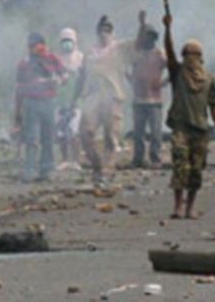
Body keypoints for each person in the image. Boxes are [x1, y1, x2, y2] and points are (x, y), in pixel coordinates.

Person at [162, 14, 215, 219]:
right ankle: (178, 206)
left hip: (200, 130)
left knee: (196, 171)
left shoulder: (208, 79)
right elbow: (170, 53)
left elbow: (214, 106)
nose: (190, 57)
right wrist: (168, 29)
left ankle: (190, 207)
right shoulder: (178, 73)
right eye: (186, 53)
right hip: (181, 127)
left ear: (200, 56)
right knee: (180, 166)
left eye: (193, 54)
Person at [74, 15, 142, 184]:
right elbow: (82, 77)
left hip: (112, 96)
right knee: (85, 133)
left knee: (111, 137)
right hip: (92, 97)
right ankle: (97, 165)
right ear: (98, 32)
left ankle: (107, 170)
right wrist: (74, 99)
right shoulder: (89, 53)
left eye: (109, 30)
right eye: (103, 29)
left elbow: (140, 43)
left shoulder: (120, 48)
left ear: (112, 33)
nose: (105, 33)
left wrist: (141, 24)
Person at [14, 33, 66, 182]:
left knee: (48, 138)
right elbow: (19, 88)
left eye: (37, 45)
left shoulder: (52, 59)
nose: (35, 49)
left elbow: (64, 77)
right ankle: (29, 170)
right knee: (32, 139)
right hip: (31, 103)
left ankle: (47, 170)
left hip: (49, 102)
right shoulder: (24, 63)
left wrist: (57, 78)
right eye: (32, 46)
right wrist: (18, 111)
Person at [129, 11, 167, 168]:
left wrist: (163, 83)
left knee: (156, 133)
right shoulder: (137, 55)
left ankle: (155, 158)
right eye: (146, 36)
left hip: (154, 100)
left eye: (151, 37)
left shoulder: (160, 54)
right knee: (138, 133)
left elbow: (173, 70)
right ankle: (138, 158)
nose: (148, 39)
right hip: (139, 99)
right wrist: (142, 25)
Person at [55, 27, 84, 166]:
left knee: (74, 132)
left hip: (76, 101)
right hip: (60, 101)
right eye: (64, 41)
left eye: (69, 41)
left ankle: (76, 161)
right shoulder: (56, 59)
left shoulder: (81, 58)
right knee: (61, 133)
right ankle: (65, 159)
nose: (67, 44)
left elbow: (84, 79)